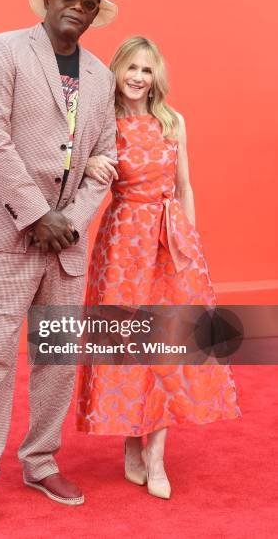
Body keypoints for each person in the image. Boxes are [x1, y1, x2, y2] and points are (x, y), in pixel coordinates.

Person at [0, 0, 118, 525]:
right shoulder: (4, 51)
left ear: (95, 14)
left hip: (64, 241)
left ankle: (41, 460)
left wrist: (67, 222)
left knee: (59, 359)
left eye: (87, 2)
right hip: (5, 232)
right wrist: (36, 214)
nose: (75, 6)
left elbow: (107, 161)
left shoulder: (101, 76)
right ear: (47, 0)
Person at [76, 36, 241, 499]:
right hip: (122, 244)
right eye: (130, 68)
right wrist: (89, 161)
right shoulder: (102, 124)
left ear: (156, 77)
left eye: (146, 70)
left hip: (169, 241)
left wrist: (192, 246)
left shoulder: (172, 122)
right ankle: (132, 441)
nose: (137, 77)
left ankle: (156, 455)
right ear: (117, 72)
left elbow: (185, 187)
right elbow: (78, 170)